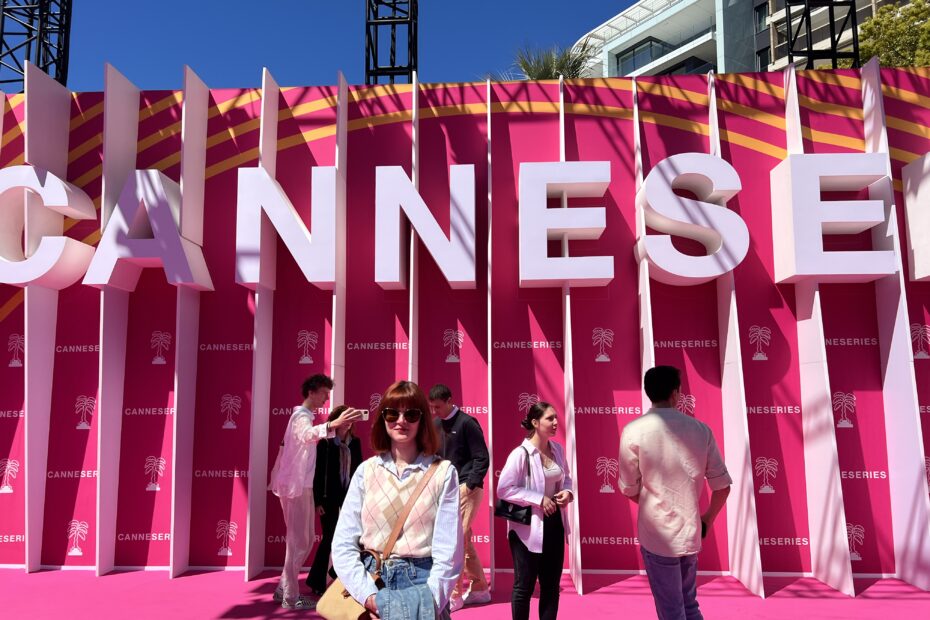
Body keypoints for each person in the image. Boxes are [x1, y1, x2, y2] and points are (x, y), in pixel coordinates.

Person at [332, 380, 464, 619]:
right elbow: (343, 545)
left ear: (422, 420)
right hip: (372, 582)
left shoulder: (444, 473)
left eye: (411, 414)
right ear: (383, 419)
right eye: (392, 413)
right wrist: (370, 598)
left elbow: (449, 553)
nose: (401, 420)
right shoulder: (365, 471)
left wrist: (428, 604)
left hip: (423, 587)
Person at [618, 366, 732, 620]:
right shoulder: (700, 430)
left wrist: (651, 504)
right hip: (690, 532)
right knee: (689, 605)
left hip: (656, 533)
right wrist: (707, 519)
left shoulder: (633, 430)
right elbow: (722, 487)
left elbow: (628, 488)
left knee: (671, 610)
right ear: (676, 393)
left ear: (648, 393)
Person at [269, 374, 363, 610]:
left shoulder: (304, 417)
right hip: (297, 487)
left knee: (301, 541)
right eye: (324, 393)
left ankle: (283, 589)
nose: (326, 398)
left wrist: (333, 426)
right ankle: (290, 597)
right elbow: (307, 435)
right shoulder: (301, 416)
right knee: (300, 542)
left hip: (300, 486)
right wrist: (333, 424)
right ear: (312, 391)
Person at [497, 401, 574, 620]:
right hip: (526, 530)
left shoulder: (557, 449)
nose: (555, 422)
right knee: (524, 587)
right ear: (535, 422)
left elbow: (566, 478)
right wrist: (538, 499)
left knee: (551, 587)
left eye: (556, 418)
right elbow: (504, 489)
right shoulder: (520, 454)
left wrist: (568, 493)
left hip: (554, 525)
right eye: (550, 418)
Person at [429, 384, 491, 611]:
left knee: (455, 540)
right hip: (444, 490)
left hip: (467, 488)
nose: (434, 411)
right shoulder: (435, 425)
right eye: (432, 408)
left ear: (449, 401)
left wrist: (470, 484)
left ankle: (453, 596)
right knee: (462, 539)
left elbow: (482, 457)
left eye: (437, 407)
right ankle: (480, 589)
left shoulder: (467, 423)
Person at [306, 405, 364, 595]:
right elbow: (318, 473)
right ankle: (316, 582)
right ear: (336, 421)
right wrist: (317, 501)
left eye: (350, 421)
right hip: (328, 497)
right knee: (329, 538)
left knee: (355, 538)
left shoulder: (355, 443)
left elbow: (359, 472)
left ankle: (338, 575)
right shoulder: (325, 443)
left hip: (350, 496)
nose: (347, 425)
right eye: (344, 420)